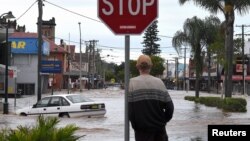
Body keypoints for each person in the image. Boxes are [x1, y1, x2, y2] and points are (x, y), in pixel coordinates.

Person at [128, 55, 174, 141]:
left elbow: (130, 111)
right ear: (151, 66)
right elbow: (170, 108)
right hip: (159, 132)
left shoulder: (131, 83)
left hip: (142, 132)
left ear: (137, 66)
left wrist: (136, 126)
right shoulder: (159, 82)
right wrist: (162, 122)